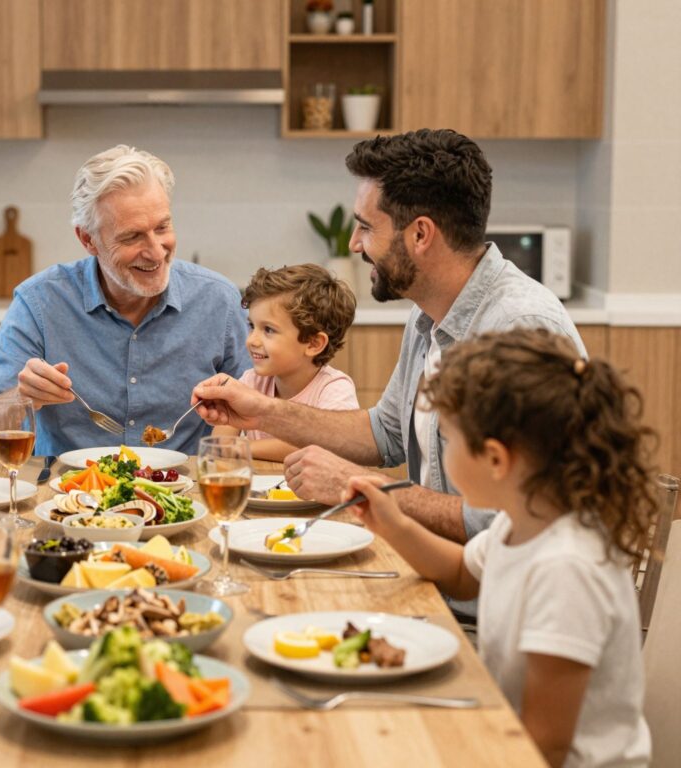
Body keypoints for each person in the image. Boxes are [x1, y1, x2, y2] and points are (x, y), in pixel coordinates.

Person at [194, 128, 585, 546]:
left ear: (420, 234)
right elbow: (386, 434)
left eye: (366, 227)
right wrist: (260, 412)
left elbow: (518, 523)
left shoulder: (520, 329)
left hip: (485, 605)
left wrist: (365, 485)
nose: (355, 243)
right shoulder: (427, 313)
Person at [343, 329, 653, 768]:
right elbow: (460, 574)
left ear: (495, 459)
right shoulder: (521, 521)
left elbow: (545, 744)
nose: (442, 457)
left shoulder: (567, 567)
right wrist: (392, 523)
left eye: (448, 440)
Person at [0, 144, 250, 456]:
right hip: (66, 498)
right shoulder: (39, 303)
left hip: (183, 494)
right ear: (88, 239)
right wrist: (22, 397)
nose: (156, 251)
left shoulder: (219, 301)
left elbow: (255, 414)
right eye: (132, 237)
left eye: (162, 227)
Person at [213, 264, 359, 461]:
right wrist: (221, 407)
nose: (251, 340)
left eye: (269, 330)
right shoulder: (252, 381)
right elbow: (219, 445)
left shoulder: (334, 388)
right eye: (252, 326)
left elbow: (323, 446)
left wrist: (243, 447)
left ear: (314, 343)